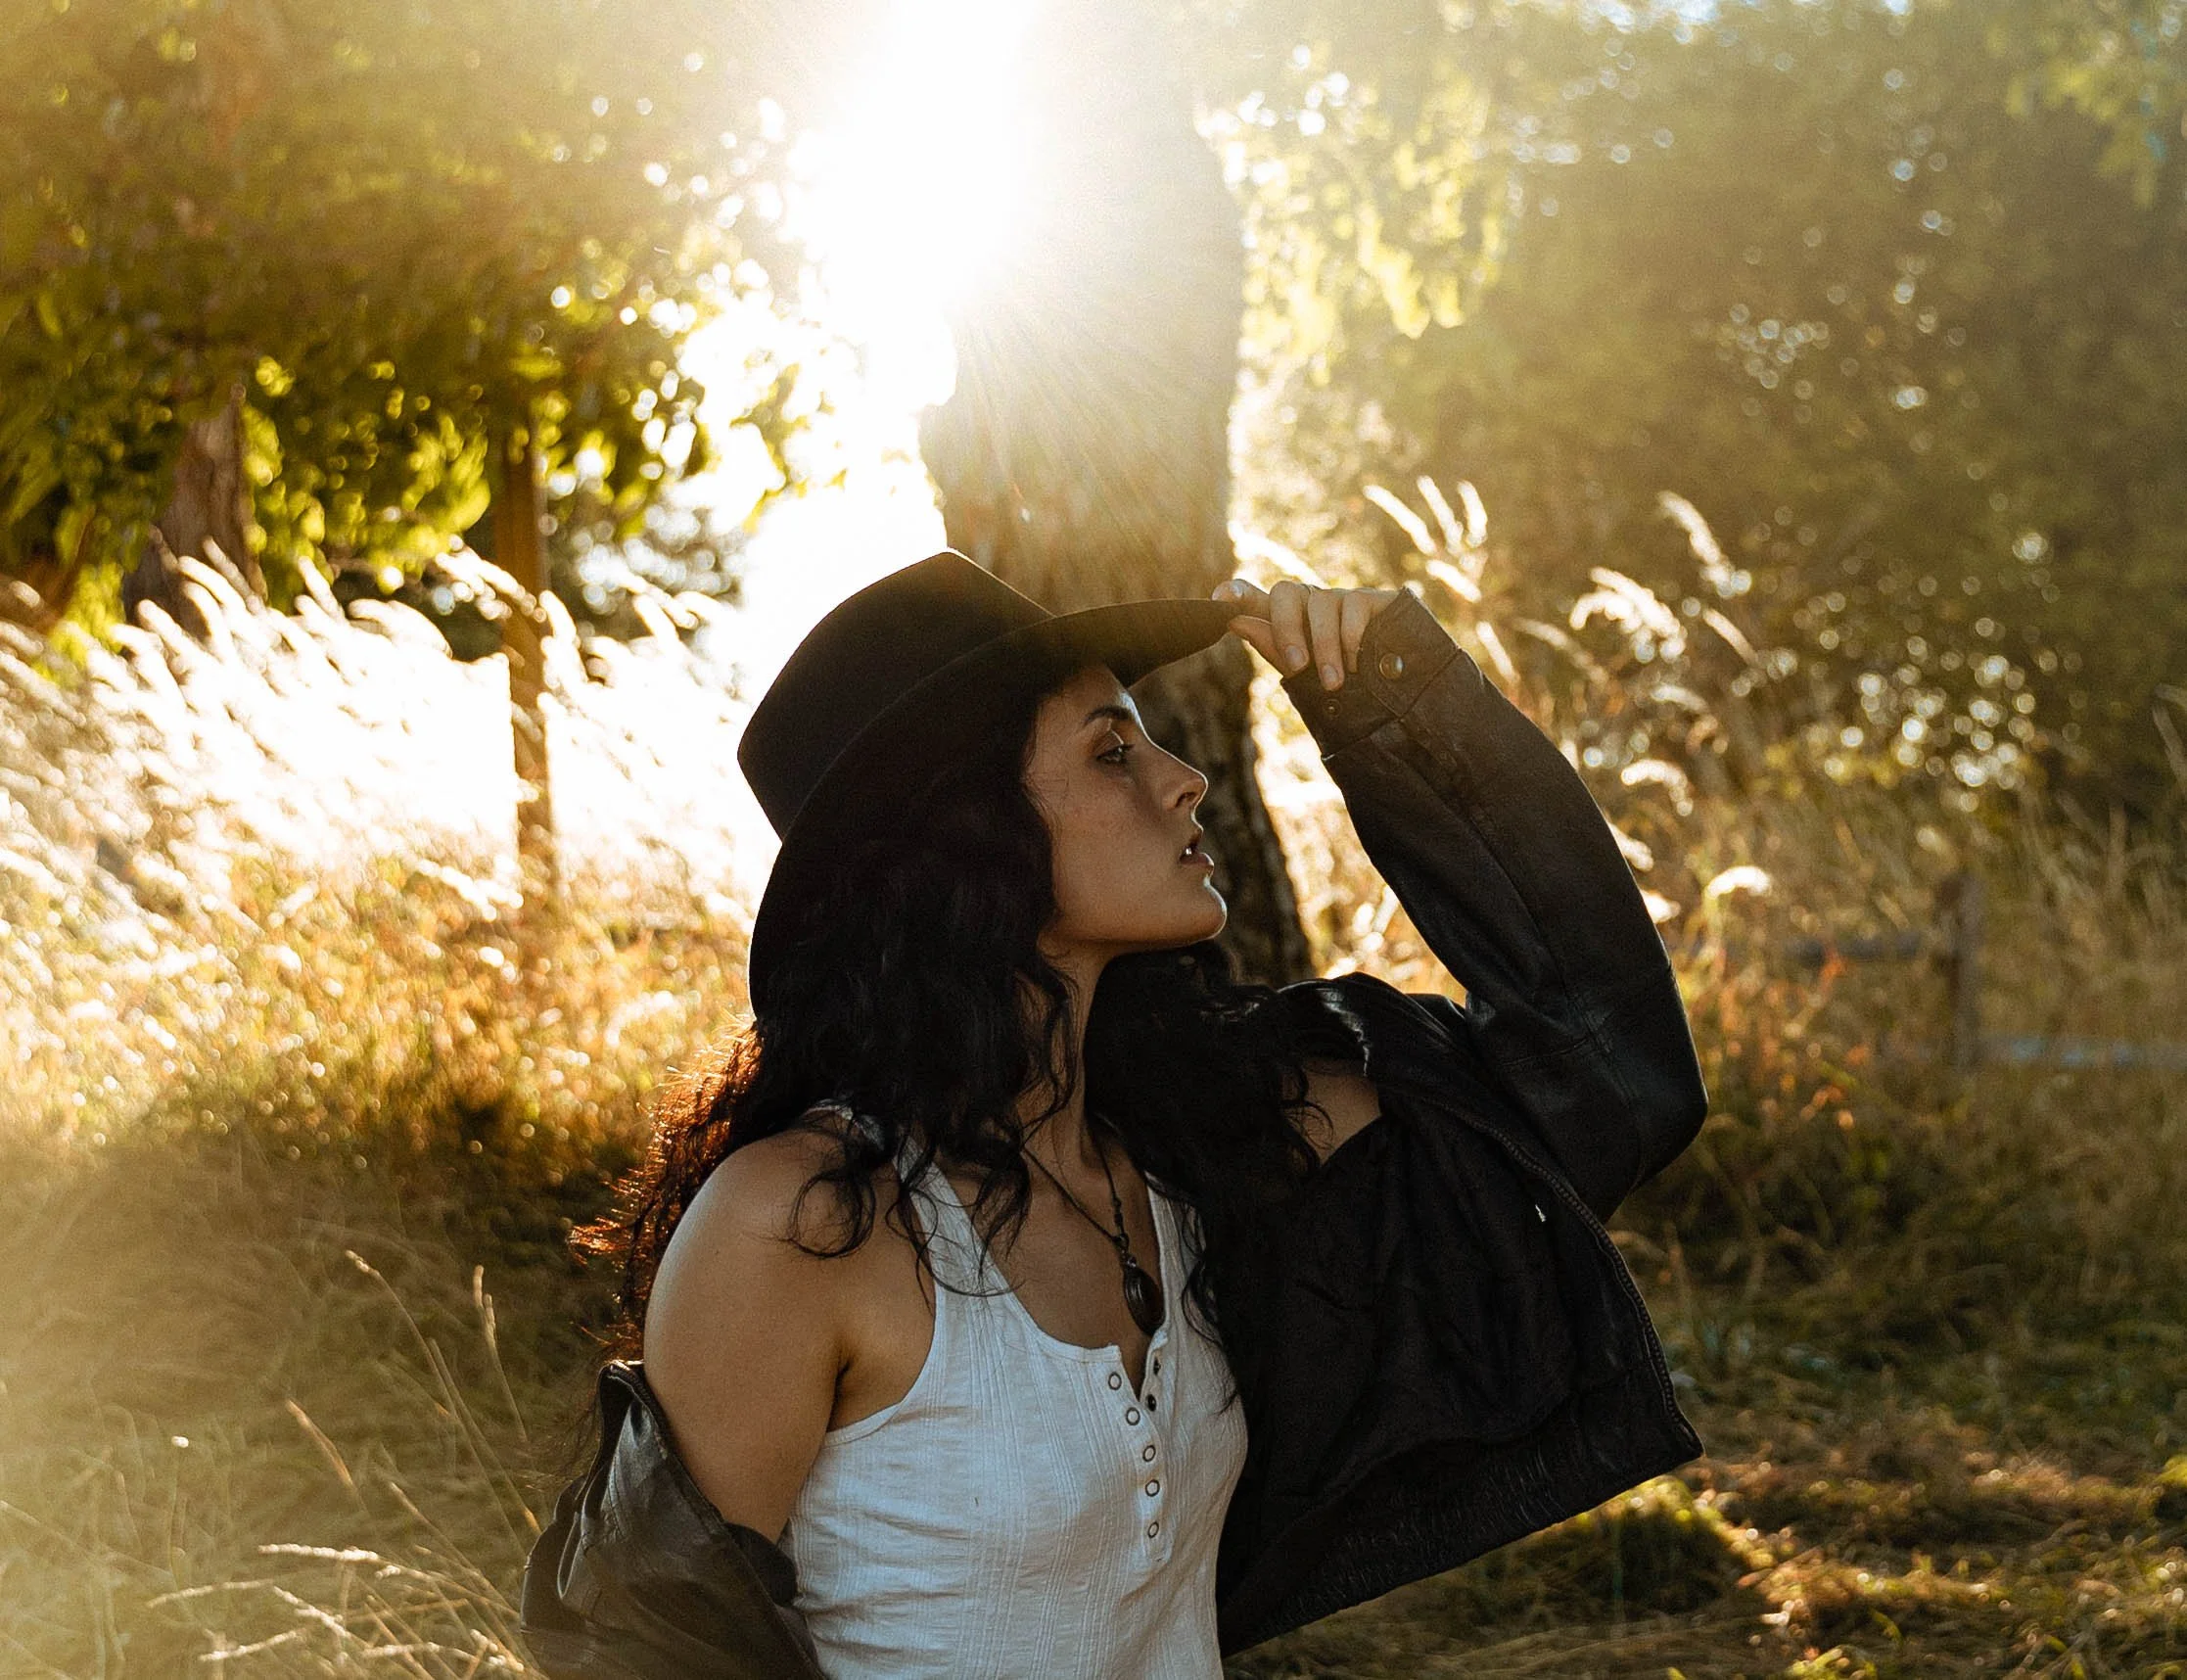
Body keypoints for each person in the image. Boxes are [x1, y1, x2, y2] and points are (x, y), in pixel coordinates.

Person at [520, 551, 1710, 1680]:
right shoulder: (804, 1222)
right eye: (1109, 753)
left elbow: (1603, 1075)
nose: (1180, 778)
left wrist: (1400, 717)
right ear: (968, 836)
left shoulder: (1202, 1151)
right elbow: (640, 1649)